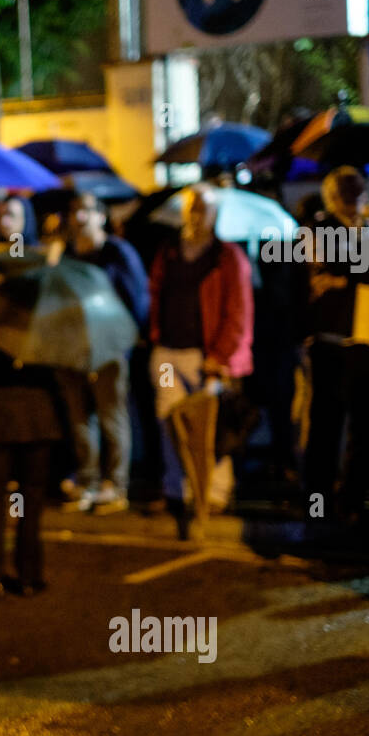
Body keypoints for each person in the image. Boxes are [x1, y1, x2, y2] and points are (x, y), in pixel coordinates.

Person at [147, 184, 254, 539]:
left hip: (204, 358)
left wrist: (220, 356)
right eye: (191, 208)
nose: (195, 216)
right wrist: (154, 334)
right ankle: (178, 489)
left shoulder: (227, 258)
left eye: (202, 209)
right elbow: (155, 293)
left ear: (214, 216)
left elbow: (238, 312)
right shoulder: (169, 252)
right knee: (170, 421)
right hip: (168, 354)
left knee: (210, 430)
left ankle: (215, 492)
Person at [302, 166, 369, 528]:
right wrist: (367, 255)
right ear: (332, 196)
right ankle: (318, 503)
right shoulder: (321, 229)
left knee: (366, 429)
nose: (355, 199)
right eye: (347, 192)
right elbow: (348, 264)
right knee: (326, 428)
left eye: (358, 191)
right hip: (332, 342)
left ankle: (354, 500)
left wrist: (348, 275)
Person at [57, 190, 150, 513]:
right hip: (71, 349)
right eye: (74, 211)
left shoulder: (116, 253)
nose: (79, 218)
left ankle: (116, 484)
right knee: (80, 419)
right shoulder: (66, 255)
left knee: (112, 416)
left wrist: (126, 340)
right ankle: (87, 480)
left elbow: (137, 298)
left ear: (101, 215)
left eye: (86, 210)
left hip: (109, 348)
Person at [0, 338, 69, 604]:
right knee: (31, 501)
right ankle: (29, 576)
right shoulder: (45, 328)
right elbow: (58, 375)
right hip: (38, 418)